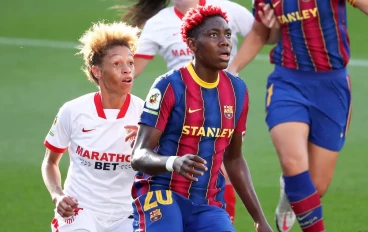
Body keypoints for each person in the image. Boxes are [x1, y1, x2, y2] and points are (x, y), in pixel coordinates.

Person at [120, 0, 279, 222]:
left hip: (223, 107)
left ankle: (221, 217)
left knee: (218, 166)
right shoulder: (167, 81)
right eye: (214, 35)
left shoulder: (237, 89)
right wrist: (126, 115)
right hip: (177, 116)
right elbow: (128, 70)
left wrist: (261, 221)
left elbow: (265, 34)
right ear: (192, 44)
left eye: (227, 35)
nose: (225, 42)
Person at [227, 1, 368, 232]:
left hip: (332, 87)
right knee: (293, 163)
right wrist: (232, 71)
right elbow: (259, 33)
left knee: (316, 186)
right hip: (288, 83)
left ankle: (289, 192)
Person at [41, 21, 144, 232]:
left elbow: (162, 165)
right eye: (117, 64)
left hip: (127, 213)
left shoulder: (145, 113)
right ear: (97, 71)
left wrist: (147, 144)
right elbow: (50, 162)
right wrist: (58, 194)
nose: (127, 71)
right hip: (80, 210)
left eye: (130, 63)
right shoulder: (73, 111)